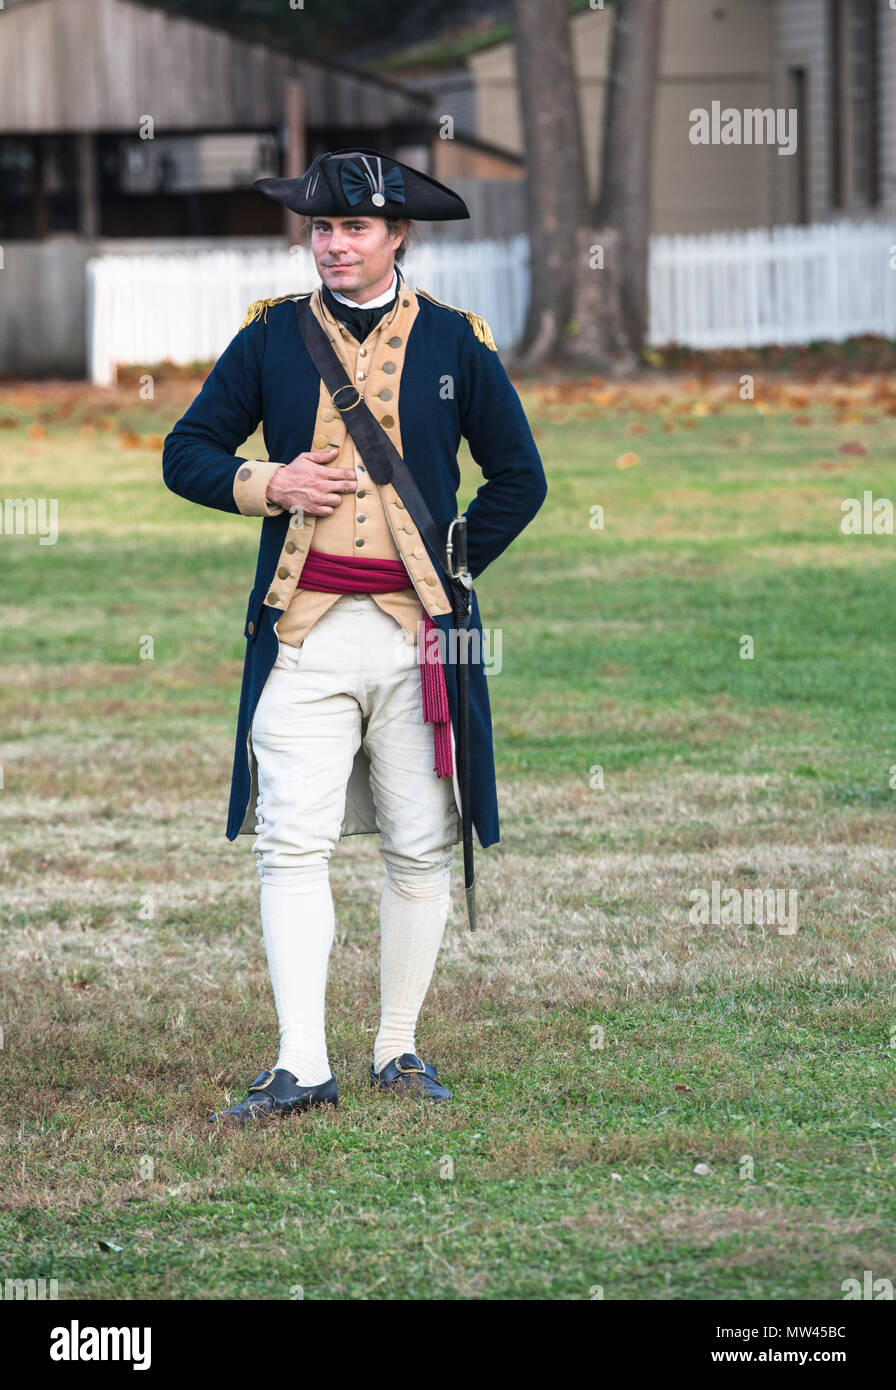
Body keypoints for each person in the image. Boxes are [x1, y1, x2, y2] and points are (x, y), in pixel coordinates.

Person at [161, 148, 547, 1125]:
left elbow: (519, 478)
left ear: (396, 236)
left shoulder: (459, 343)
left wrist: (453, 561)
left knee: (419, 844)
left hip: (422, 638)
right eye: (322, 229)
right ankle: (300, 1065)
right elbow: (186, 452)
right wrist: (269, 482)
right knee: (290, 843)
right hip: (303, 632)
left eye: (355, 228)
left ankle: (397, 1048)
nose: (334, 245)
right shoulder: (270, 341)